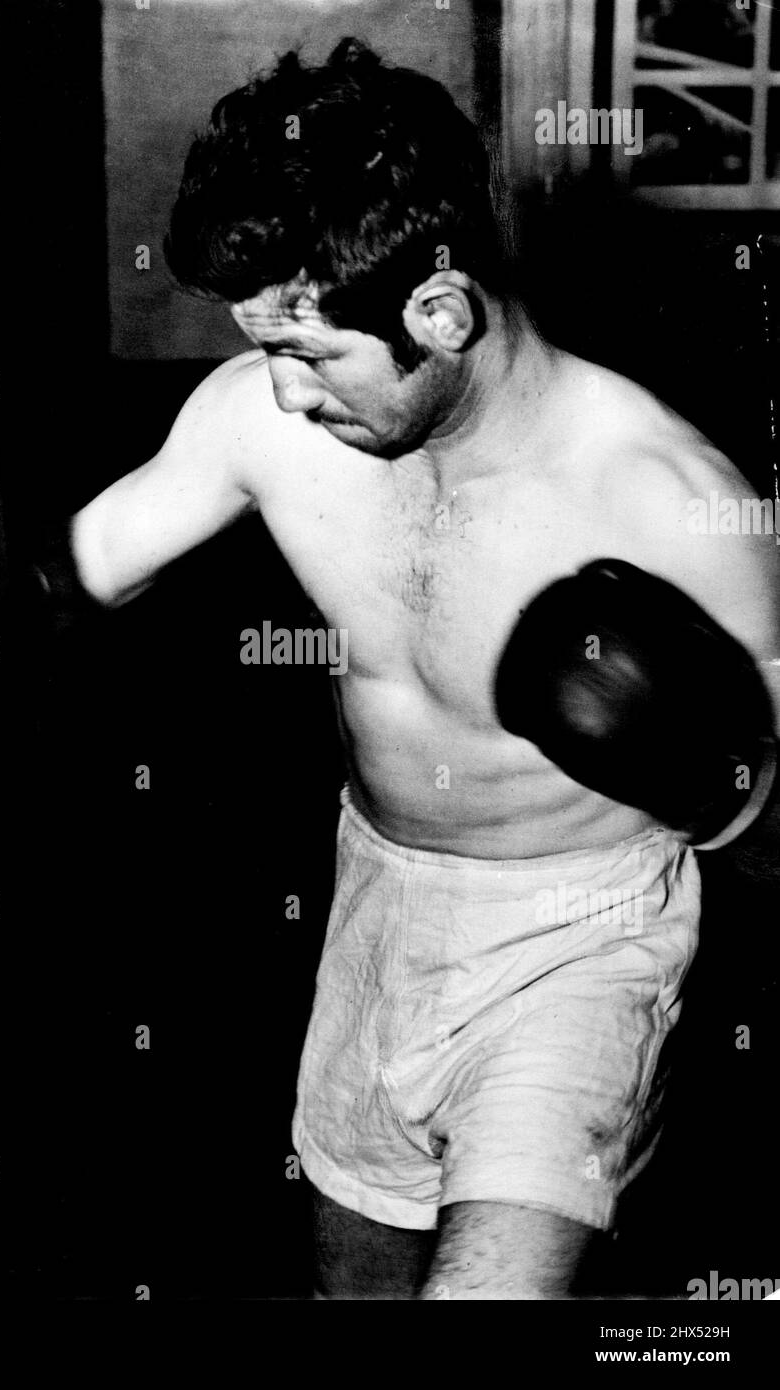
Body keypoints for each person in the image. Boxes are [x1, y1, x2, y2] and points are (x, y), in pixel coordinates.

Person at [58, 39, 780, 1298]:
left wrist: (713, 775)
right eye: (263, 348)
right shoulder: (257, 416)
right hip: (376, 916)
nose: (278, 394)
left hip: (580, 936)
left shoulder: (666, 500)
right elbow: (80, 568)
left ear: (438, 314)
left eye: (312, 353)